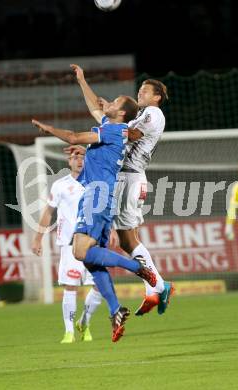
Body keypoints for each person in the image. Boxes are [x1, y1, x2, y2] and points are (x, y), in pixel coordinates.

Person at [32, 92, 157, 343]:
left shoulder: (114, 129)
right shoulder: (112, 129)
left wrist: (48, 129)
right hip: (101, 195)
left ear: (121, 113)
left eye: (114, 103)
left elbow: (73, 136)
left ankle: (138, 268)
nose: (107, 103)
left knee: (80, 253)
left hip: (96, 195)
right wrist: (80, 80)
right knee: (92, 261)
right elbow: (91, 117)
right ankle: (115, 310)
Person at [69, 64, 174, 316]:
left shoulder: (153, 113)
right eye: (139, 90)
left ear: (156, 96)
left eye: (145, 91)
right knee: (128, 240)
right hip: (126, 178)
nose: (140, 93)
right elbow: (98, 111)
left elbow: (132, 133)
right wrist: (84, 82)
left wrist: (113, 123)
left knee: (128, 240)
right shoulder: (135, 116)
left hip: (129, 178)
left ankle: (159, 285)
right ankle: (154, 288)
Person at [32, 150, 102, 344]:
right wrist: (38, 238)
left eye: (82, 157)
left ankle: (84, 322)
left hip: (93, 243)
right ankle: (69, 332)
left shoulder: (97, 183)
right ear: (69, 161)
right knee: (70, 287)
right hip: (69, 245)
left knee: (99, 286)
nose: (79, 161)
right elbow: (48, 213)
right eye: (75, 157)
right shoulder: (60, 185)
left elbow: (105, 210)